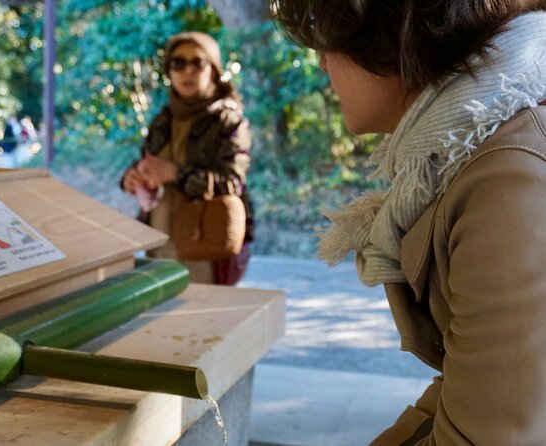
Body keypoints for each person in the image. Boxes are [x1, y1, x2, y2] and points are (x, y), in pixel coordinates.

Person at [273, 1, 546, 444]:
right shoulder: (475, 145)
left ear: (392, 33)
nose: (321, 60)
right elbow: (467, 383)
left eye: (328, 36)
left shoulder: (510, 177)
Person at [120, 31, 253, 285]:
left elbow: (232, 183)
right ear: (169, 71)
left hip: (203, 248)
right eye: (178, 63)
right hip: (157, 244)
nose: (187, 71)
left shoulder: (227, 121)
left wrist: (174, 174)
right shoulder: (162, 120)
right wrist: (132, 177)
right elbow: (147, 163)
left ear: (213, 70)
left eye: (197, 63)